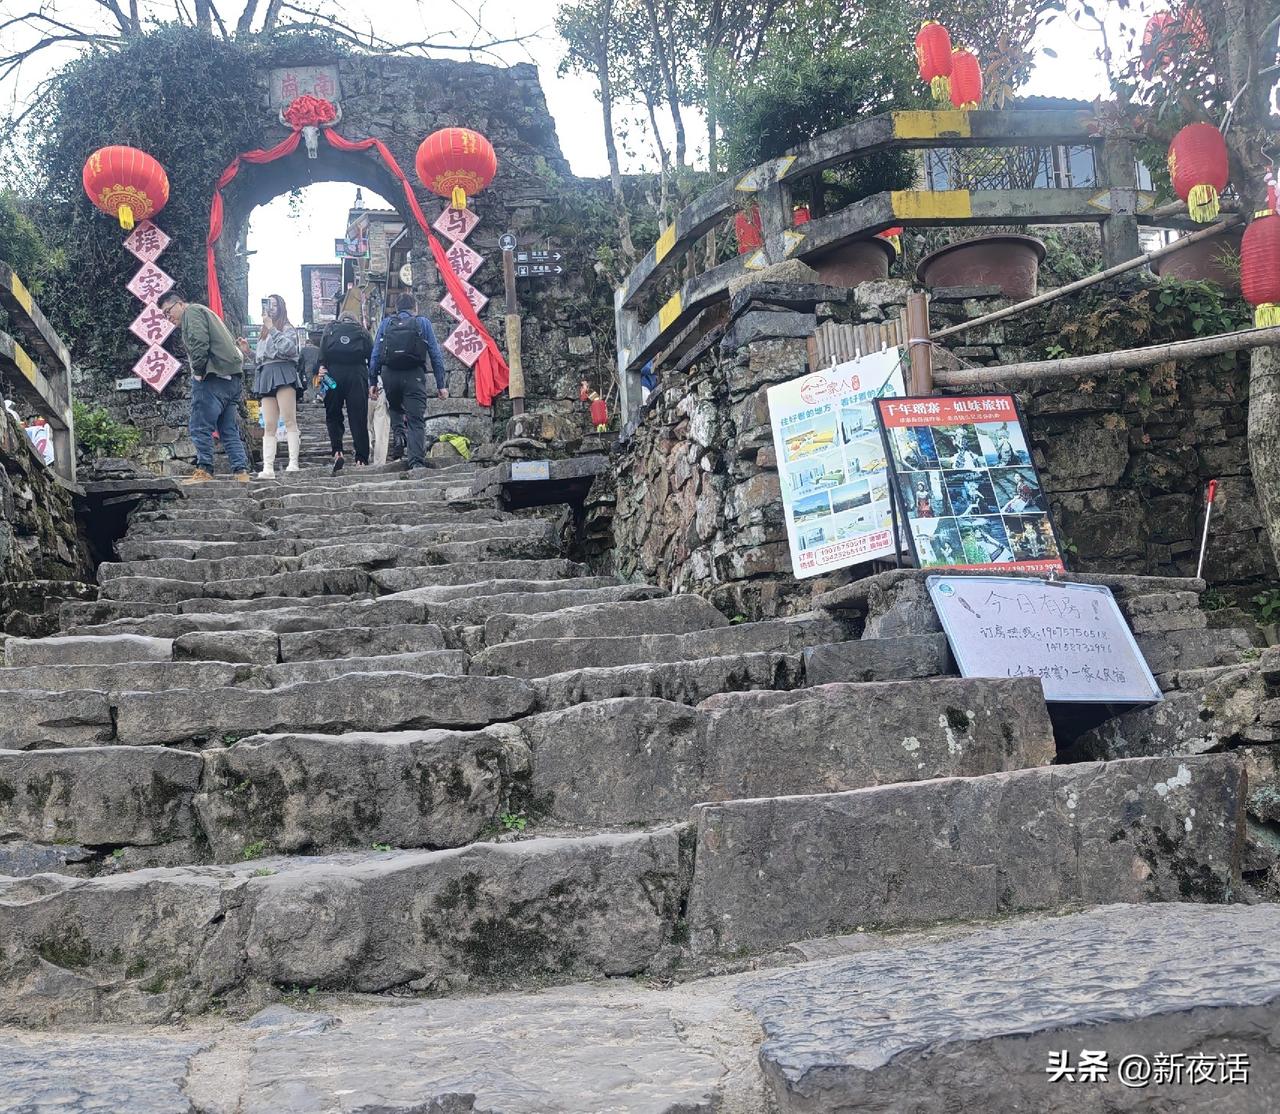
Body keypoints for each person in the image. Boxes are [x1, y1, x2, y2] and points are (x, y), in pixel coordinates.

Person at [159, 291, 251, 485]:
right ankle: (241, 471)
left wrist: (199, 373)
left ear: (180, 304)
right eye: (165, 316)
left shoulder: (191, 313)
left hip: (213, 376)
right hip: (232, 379)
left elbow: (199, 344)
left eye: (168, 311)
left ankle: (204, 469)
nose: (169, 318)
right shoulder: (207, 312)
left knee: (199, 424)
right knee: (228, 428)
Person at [368, 293, 447, 471]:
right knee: (415, 419)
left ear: (396, 309)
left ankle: (398, 435)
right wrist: (441, 385)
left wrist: (372, 381)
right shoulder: (423, 323)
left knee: (395, 407)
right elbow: (435, 355)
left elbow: (376, 354)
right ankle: (416, 463)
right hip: (414, 375)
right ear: (415, 308)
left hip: (390, 375)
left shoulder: (386, 323)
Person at [253, 294, 303, 475]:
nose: (271, 308)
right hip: (266, 374)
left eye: (275, 305)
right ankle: (268, 467)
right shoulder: (263, 332)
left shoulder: (287, 328)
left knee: (289, 419)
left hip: (283, 372)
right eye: (269, 305)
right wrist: (248, 352)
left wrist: (272, 328)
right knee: (269, 424)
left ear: (281, 307)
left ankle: (293, 463)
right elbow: (261, 358)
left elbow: (289, 349)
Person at [319, 313, 372, 472]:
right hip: (357, 375)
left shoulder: (330, 329)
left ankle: (337, 451)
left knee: (333, 413)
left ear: (340, 319)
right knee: (358, 417)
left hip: (332, 377)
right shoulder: (362, 331)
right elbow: (372, 355)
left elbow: (321, 355)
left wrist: (320, 368)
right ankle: (361, 458)